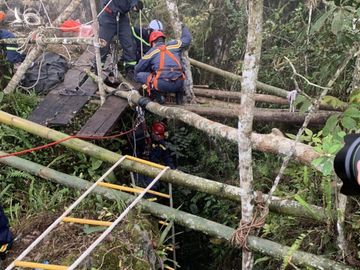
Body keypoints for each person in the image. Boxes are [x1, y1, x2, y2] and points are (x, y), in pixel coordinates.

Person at [134, 25, 192, 103]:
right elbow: (187, 39)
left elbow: (138, 69)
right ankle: (179, 99)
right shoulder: (174, 45)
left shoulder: (151, 52)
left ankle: (159, 97)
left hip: (162, 85)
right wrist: (184, 27)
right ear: (163, 40)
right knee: (178, 74)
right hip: (179, 83)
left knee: (139, 76)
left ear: (152, 42)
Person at [98, 0, 143, 78]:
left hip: (122, 18)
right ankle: (97, 68)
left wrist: (136, 5)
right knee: (103, 45)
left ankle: (130, 70)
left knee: (129, 44)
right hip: (107, 15)